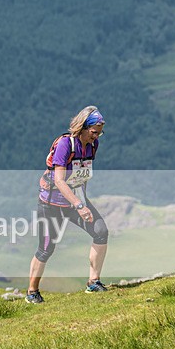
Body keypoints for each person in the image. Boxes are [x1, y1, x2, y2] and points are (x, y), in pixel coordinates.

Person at [26, 106, 109, 304]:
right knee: (46, 248)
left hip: (75, 199)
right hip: (51, 203)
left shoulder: (92, 145)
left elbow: (83, 175)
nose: (97, 137)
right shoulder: (65, 144)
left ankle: (93, 282)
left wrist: (83, 202)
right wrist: (80, 205)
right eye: (94, 132)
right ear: (83, 127)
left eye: (100, 133)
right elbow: (60, 180)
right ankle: (32, 292)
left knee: (101, 231)